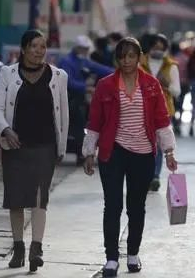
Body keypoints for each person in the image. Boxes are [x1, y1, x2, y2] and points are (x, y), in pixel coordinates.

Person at [82, 37, 178, 277]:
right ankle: (111, 258)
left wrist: (168, 151)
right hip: (113, 152)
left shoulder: (151, 85)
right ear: (117, 59)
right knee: (112, 206)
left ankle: (133, 253)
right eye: (122, 56)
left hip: (143, 155)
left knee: (136, 207)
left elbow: (161, 119)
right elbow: (95, 121)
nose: (126, 61)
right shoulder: (105, 85)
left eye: (131, 56)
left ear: (139, 58)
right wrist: (89, 152)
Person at [0, 30, 69, 272]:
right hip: (15, 145)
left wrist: (62, 147)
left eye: (42, 46)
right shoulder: (7, 73)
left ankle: (36, 248)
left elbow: (64, 113)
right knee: (16, 199)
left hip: (45, 145)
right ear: (23, 49)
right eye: (34, 46)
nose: (39, 51)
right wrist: (6, 130)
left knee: (39, 198)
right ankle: (18, 247)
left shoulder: (58, 76)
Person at [58, 35, 114, 166]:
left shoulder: (83, 61)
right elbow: (68, 82)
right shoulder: (67, 62)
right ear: (77, 48)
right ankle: (81, 153)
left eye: (86, 49)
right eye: (83, 48)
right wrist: (86, 88)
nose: (85, 51)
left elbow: (101, 69)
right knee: (78, 125)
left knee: (83, 124)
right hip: (67, 100)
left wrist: (119, 72)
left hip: (79, 99)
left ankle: (82, 152)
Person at [140, 34, 181, 192]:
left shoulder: (171, 67)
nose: (158, 50)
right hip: (141, 109)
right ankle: (144, 175)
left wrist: (166, 84)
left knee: (158, 144)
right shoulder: (140, 63)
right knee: (144, 144)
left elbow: (177, 92)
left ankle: (155, 176)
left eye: (161, 47)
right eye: (155, 47)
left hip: (163, 110)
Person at [171, 41, 190, 135]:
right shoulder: (185, 58)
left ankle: (175, 121)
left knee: (172, 104)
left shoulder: (170, 59)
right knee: (181, 103)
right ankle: (179, 121)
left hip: (172, 85)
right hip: (184, 84)